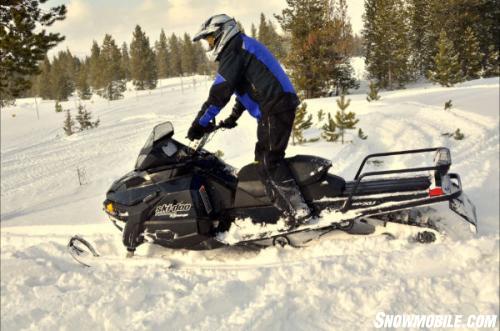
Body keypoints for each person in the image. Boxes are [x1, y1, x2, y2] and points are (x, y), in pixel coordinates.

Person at [187, 14, 311, 227]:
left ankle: (298, 210)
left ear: (221, 33)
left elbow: (220, 92)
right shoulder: (240, 46)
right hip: (274, 106)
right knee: (262, 159)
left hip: (276, 107)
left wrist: (199, 123)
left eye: (210, 39)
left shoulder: (234, 49)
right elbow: (248, 88)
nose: (209, 45)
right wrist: (233, 117)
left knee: (269, 161)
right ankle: (280, 207)